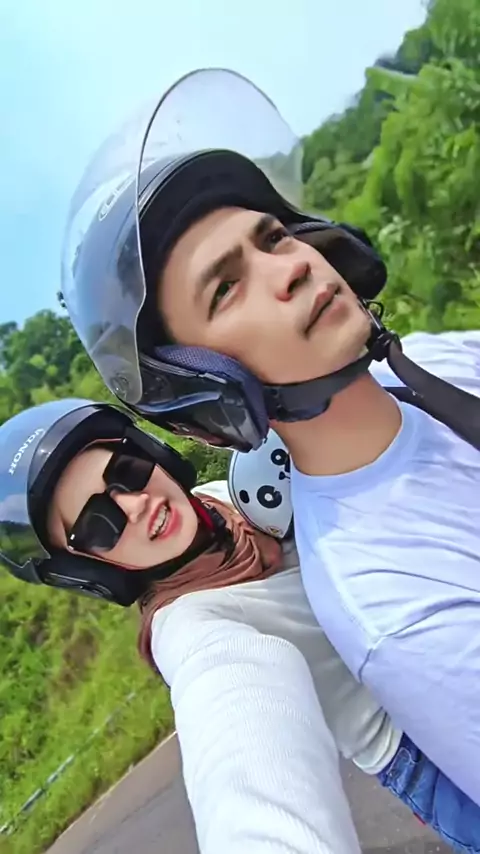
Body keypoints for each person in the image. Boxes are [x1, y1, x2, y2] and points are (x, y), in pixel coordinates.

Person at [59, 68, 480, 845]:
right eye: (225, 290)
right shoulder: (229, 624)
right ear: (205, 389)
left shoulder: (420, 367)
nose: (290, 269)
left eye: (274, 237)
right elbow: (241, 752)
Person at [1, 397, 392, 854]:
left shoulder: (230, 497)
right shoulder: (191, 627)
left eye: (125, 471)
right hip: (409, 737)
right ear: (89, 570)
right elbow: (236, 731)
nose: (135, 505)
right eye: (97, 524)